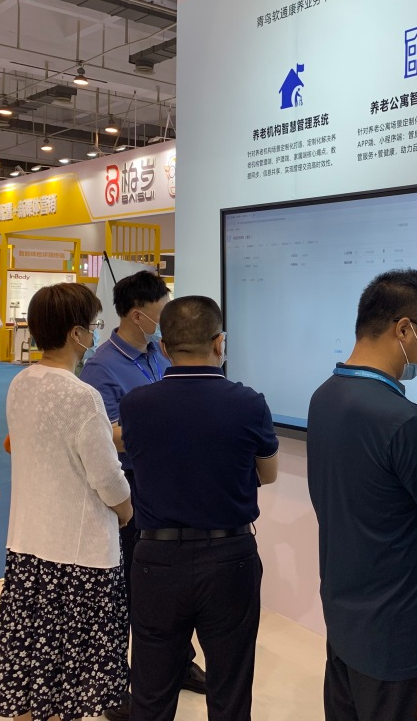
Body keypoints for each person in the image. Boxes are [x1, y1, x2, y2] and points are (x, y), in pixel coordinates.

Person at [120, 295, 279, 721]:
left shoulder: (135, 405)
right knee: (230, 693)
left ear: (164, 348)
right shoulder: (249, 403)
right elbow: (268, 474)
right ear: (219, 342)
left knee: (151, 695)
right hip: (230, 558)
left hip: (155, 560)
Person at [307, 269, 417, 721]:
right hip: (397, 637)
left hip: (344, 620)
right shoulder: (403, 421)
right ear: (403, 329)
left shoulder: (324, 396)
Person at [0, 283, 133, 721]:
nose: (96, 333)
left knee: (32, 666)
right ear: (77, 333)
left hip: (28, 544)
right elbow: (107, 478)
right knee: (71, 676)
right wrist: (127, 510)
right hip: (79, 556)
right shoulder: (82, 397)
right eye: (94, 325)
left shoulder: (21, 383)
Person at [81, 270, 206, 721]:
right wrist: (164, 426)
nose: (166, 319)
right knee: (131, 588)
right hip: (130, 488)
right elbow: (106, 435)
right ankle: (119, 685)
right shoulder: (101, 367)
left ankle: (180, 662)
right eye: (160, 312)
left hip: (169, 480)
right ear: (138, 315)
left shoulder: (159, 352)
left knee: (174, 580)